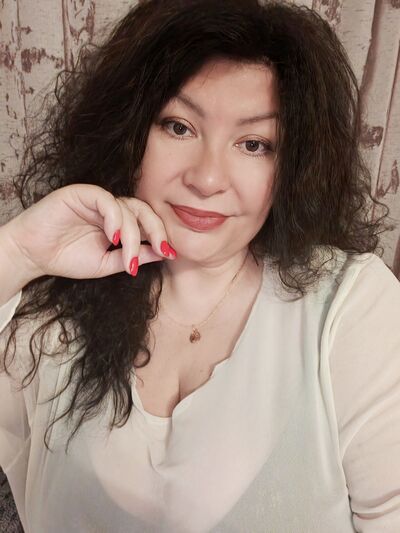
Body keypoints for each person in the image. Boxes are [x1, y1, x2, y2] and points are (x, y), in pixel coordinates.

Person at [0, 0, 399, 531]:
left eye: (254, 144)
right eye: (179, 127)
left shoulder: (351, 309)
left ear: (293, 165)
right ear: (129, 132)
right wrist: (18, 254)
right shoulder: (49, 312)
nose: (207, 179)